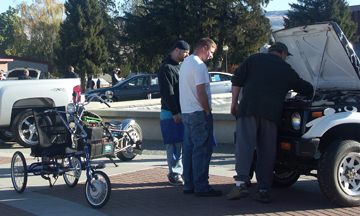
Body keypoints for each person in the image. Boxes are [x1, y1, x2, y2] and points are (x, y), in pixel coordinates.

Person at [226, 42, 314, 203]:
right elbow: (304, 87)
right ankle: (263, 190)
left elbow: (236, 79)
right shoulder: (285, 68)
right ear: (282, 53)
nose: (286, 59)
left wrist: (234, 103)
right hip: (271, 114)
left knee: (244, 147)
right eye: (286, 56)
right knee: (266, 152)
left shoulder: (253, 59)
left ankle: (240, 184)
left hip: (248, 110)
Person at [179, 38, 222, 197]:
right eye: (211, 52)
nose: (211, 56)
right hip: (199, 113)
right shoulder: (199, 66)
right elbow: (201, 92)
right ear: (204, 48)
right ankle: (202, 185)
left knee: (189, 150)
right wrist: (208, 111)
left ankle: (189, 184)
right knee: (202, 150)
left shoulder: (185, 63)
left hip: (187, 112)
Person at [158, 40, 190, 186]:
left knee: (182, 144)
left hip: (181, 111)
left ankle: (182, 172)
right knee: (174, 145)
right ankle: (174, 173)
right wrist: (175, 112)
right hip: (171, 113)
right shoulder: (166, 68)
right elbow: (167, 93)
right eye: (186, 52)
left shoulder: (180, 67)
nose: (187, 55)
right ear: (177, 50)